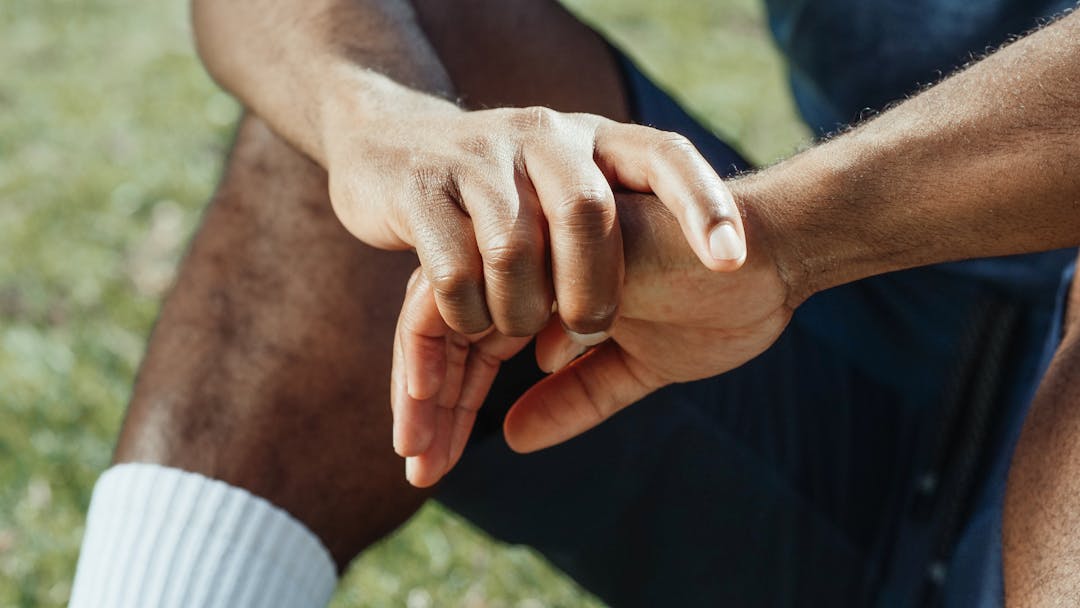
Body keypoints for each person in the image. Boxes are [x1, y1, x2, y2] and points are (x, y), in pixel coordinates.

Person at [68, 0, 1080, 606]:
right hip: (869, 368)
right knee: (427, 90)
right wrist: (381, 120)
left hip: (922, 304)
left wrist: (783, 237)